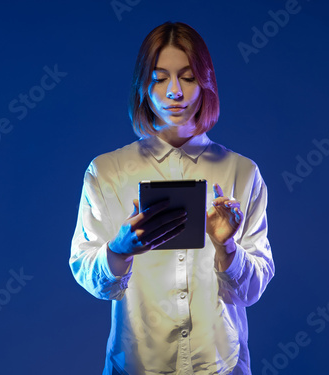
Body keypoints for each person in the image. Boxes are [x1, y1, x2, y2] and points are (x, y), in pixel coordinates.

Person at [70, 21, 274, 375]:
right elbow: (87, 273)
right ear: (143, 86)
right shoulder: (106, 171)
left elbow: (253, 290)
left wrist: (227, 249)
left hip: (220, 366)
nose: (175, 92)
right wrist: (119, 250)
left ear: (206, 83)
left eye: (188, 77)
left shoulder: (242, 172)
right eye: (160, 77)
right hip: (136, 365)